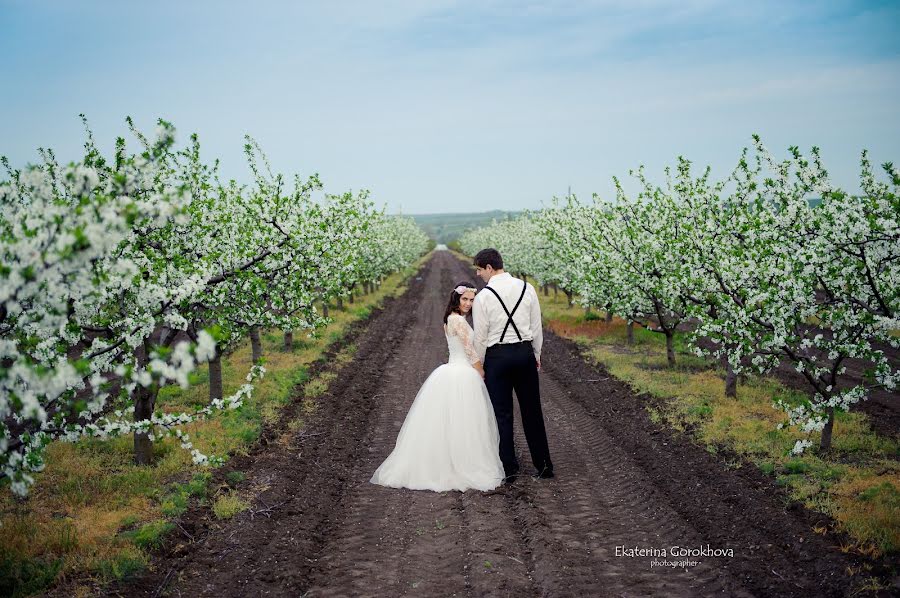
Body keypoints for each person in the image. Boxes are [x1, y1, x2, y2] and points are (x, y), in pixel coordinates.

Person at [370, 282, 505, 492]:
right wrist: (480, 370)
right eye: (465, 299)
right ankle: (460, 464)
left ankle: (452, 461)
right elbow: (469, 350)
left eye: (471, 300)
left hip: (453, 369)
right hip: (463, 372)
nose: (468, 304)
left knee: (454, 420)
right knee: (465, 420)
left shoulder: (451, 319)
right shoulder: (457, 320)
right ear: (456, 299)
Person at [472, 248, 554, 481]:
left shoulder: (484, 297)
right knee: (532, 411)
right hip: (524, 353)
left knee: (502, 413)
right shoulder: (527, 288)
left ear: (489, 267)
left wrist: (480, 365)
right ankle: (544, 465)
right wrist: (535, 354)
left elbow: (481, 336)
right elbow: (536, 327)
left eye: (479, 270)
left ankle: (509, 468)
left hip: (497, 357)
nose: (478, 275)